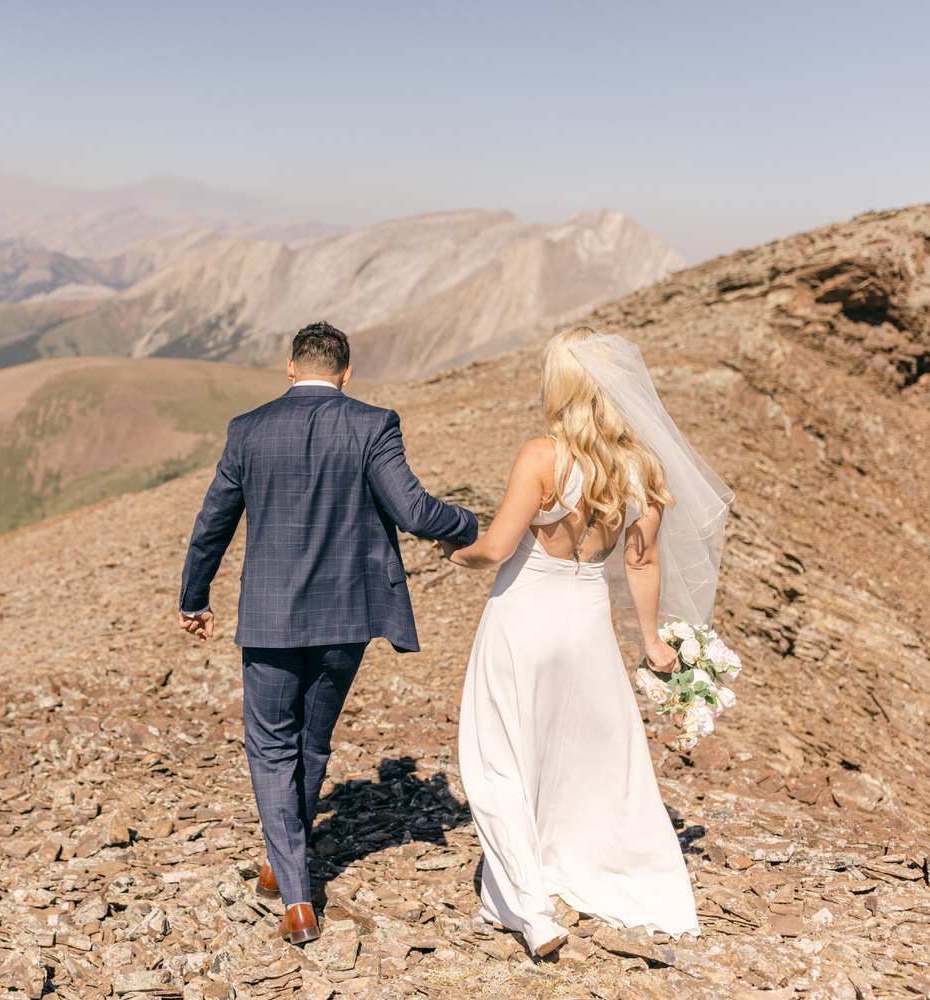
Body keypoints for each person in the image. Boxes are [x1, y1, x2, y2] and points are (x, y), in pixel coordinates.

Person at [178, 321, 479, 945]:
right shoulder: (373, 424)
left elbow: (212, 524)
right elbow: (415, 511)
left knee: (269, 747)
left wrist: (194, 597)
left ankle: (295, 895)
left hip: (267, 617)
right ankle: (282, 859)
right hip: (345, 618)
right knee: (312, 743)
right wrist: (474, 524)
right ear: (346, 373)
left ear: (290, 367)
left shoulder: (248, 429)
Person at [447, 325, 730, 955]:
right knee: (587, 754)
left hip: (524, 620)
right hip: (588, 626)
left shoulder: (542, 457)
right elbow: (641, 561)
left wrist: (451, 552)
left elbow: (495, 549)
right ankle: (602, 868)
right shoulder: (641, 466)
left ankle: (532, 909)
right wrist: (652, 641)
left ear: (563, 386)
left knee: (497, 758)